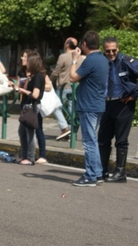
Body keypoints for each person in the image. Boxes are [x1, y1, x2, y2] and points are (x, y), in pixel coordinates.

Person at [69, 30, 109, 187]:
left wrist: (74, 60)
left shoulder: (90, 60)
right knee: (93, 140)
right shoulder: (103, 59)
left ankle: (91, 175)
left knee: (89, 142)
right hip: (98, 104)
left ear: (84, 44)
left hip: (88, 105)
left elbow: (73, 77)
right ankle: (97, 173)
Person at [98, 37, 138, 183]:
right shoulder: (101, 62)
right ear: (104, 50)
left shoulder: (127, 62)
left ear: (118, 49)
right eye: (108, 51)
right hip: (106, 104)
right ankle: (102, 170)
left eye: (114, 50)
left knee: (121, 140)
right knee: (103, 139)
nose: (111, 53)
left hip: (123, 104)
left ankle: (120, 172)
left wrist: (134, 95)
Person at [12, 51, 45, 165]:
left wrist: (22, 90)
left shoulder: (39, 76)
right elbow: (25, 88)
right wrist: (25, 81)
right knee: (22, 131)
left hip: (33, 106)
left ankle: (30, 158)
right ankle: (24, 155)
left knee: (30, 132)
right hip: (26, 105)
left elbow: (35, 94)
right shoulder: (32, 76)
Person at [50, 37, 85, 141]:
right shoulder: (81, 58)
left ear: (67, 45)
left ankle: (65, 128)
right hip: (76, 87)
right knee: (72, 112)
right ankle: (71, 134)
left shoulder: (63, 56)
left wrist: (49, 81)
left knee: (54, 106)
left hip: (63, 87)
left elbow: (56, 72)